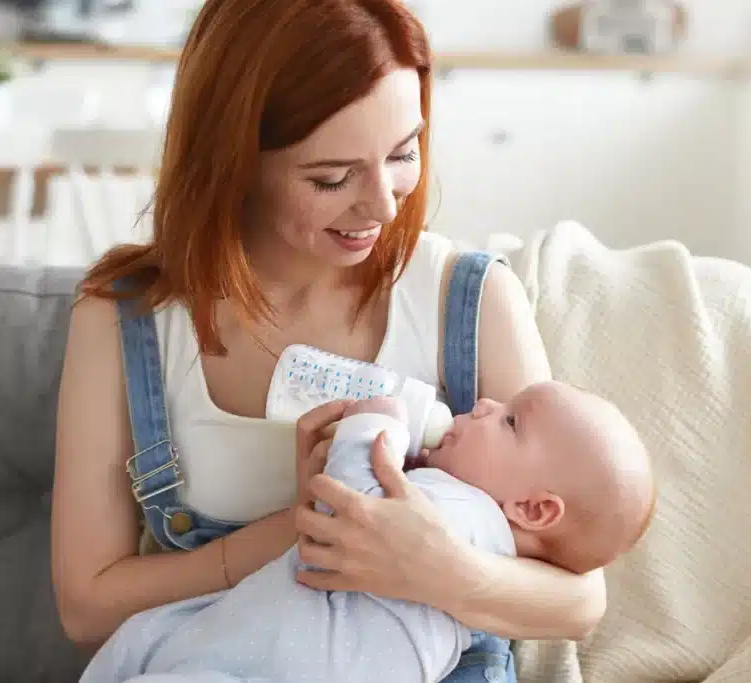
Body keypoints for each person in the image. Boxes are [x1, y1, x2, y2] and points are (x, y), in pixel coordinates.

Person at [50, 1, 607, 681]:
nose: (383, 204)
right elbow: (86, 608)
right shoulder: (123, 320)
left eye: (403, 153)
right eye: (331, 177)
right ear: (235, 157)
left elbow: (580, 598)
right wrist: (312, 525)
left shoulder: (469, 299)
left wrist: (441, 567)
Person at [78, 382, 655, 683]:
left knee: (145, 645)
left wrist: (373, 422)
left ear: (532, 509)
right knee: (148, 641)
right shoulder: (472, 517)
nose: (483, 402)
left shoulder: (464, 513)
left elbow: (353, 501)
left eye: (509, 421)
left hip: (278, 665)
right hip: (274, 648)